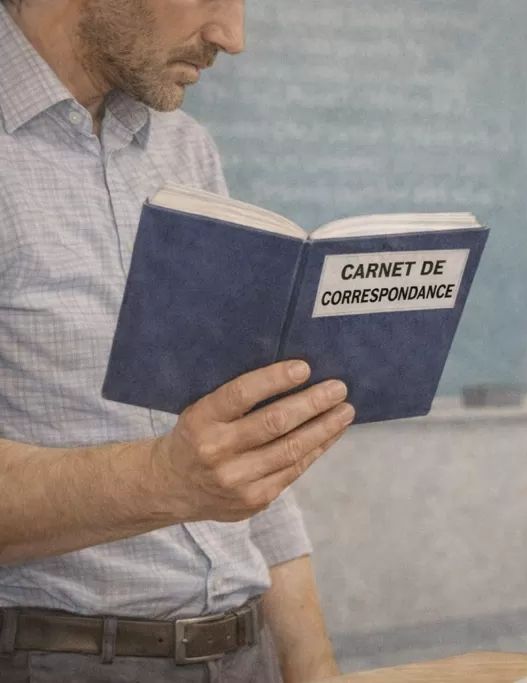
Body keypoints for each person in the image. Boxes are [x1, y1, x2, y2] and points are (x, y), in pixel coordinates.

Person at [0, 1, 352, 681]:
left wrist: (315, 667)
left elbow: (243, 460)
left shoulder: (185, 148)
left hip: (248, 652)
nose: (233, 36)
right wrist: (165, 479)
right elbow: (194, 472)